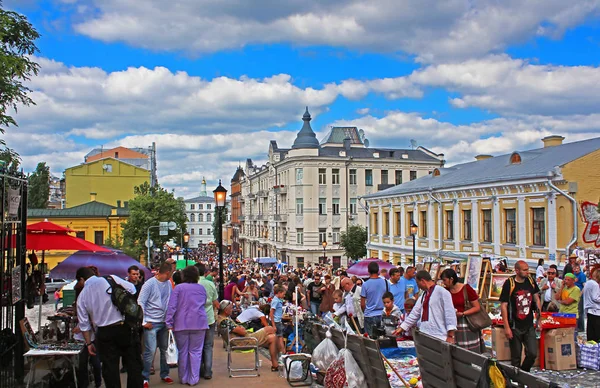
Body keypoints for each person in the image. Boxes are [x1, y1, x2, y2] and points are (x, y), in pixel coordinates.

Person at [75, 266, 144, 388]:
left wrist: (89, 344)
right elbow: (132, 289)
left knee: (110, 369)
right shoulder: (110, 279)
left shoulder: (82, 296)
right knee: (134, 364)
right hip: (125, 327)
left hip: (104, 333)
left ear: (82, 279)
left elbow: (84, 324)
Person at [166, 266, 208, 386]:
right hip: (199, 323)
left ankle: (183, 377)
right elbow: (204, 303)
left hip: (181, 323)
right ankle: (193, 378)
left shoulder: (179, 288)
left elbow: (172, 306)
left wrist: (169, 322)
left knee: (183, 351)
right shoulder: (201, 288)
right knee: (196, 352)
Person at [500, 260, 541, 372]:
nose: (528, 272)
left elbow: (536, 299)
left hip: (528, 325)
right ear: (517, 271)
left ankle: (523, 373)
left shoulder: (531, 281)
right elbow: (503, 305)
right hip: (514, 326)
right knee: (516, 357)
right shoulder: (510, 283)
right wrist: (506, 327)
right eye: (525, 270)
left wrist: (539, 319)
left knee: (532, 353)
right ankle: (517, 380)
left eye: (528, 269)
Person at [138, 261, 173, 387]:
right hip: (151, 322)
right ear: (168, 272)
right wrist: (144, 321)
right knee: (150, 351)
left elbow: (169, 300)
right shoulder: (149, 284)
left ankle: (165, 374)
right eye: (172, 272)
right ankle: (145, 377)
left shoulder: (168, 283)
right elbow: (140, 302)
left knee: (165, 350)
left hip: (163, 322)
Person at [395, 271, 457, 343]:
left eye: (417, 283)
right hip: (425, 334)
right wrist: (402, 327)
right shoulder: (423, 296)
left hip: (440, 335)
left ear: (422, 281)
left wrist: (450, 335)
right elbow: (414, 313)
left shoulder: (442, 292)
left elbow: (450, 314)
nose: (418, 286)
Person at [217, 300, 280, 372]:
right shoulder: (225, 321)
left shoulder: (221, 319)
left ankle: (275, 365)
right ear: (226, 310)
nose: (232, 310)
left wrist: (240, 328)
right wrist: (241, 328)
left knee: (272, 338)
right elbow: (243, 332)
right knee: (270, 329)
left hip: (240, 340)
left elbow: (239, 330)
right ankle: (281, 355)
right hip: (242, 341)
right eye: (231, 308)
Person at [440, 268, 484, 353]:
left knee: (468, 350)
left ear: (451, 279)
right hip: (452, 324)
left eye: (445, 280)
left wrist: (463, 313)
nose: (443, 283)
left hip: (466, 323)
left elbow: (477, 307)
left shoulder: (466, 289)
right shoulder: (446, 291)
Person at [195, 263, 219, 380]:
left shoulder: (193, 284)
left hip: (196, 318)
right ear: (205, 272)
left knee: (198, 346)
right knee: (208, 346)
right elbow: (215, 302)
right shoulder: (210, 284)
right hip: (209, 317)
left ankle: (198, 369)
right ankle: (208, 371)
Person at [361, 262, 389, 338]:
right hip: (383, 314)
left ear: (368, 271)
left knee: (370, 341)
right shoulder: (386, 282)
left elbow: (362, 304)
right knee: (383, 339)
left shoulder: (365, 284)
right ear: (378, 270)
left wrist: (366, 311)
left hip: (369, 314)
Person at [583, 268, 600, 343]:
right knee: (596, 334)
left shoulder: (588, 283)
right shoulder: (595, 285)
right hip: (596, 310)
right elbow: (595, 297)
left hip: (589, 310)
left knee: (590, 332)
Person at [270, 285, 286, 354]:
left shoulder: (278, 300)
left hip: (278, 321)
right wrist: (273, 325)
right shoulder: (275, 301)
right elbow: (271, 313)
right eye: (283, 294)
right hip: (276, 322)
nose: (284, 295)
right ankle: (282, 351)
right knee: (280, 337)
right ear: (279, 292)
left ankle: (281, 351)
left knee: (279, 336)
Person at [573, 264, 587, 331]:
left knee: (580, 311)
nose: (576, 270)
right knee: (575, 310)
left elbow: (584, 286)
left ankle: (581, 327)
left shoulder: (582, 275)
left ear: (579, 269)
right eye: (575, 268)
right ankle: (576, 326)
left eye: (577, 268)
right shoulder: (574, 274)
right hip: (574, 294)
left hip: (579, 294)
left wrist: (581, 294)